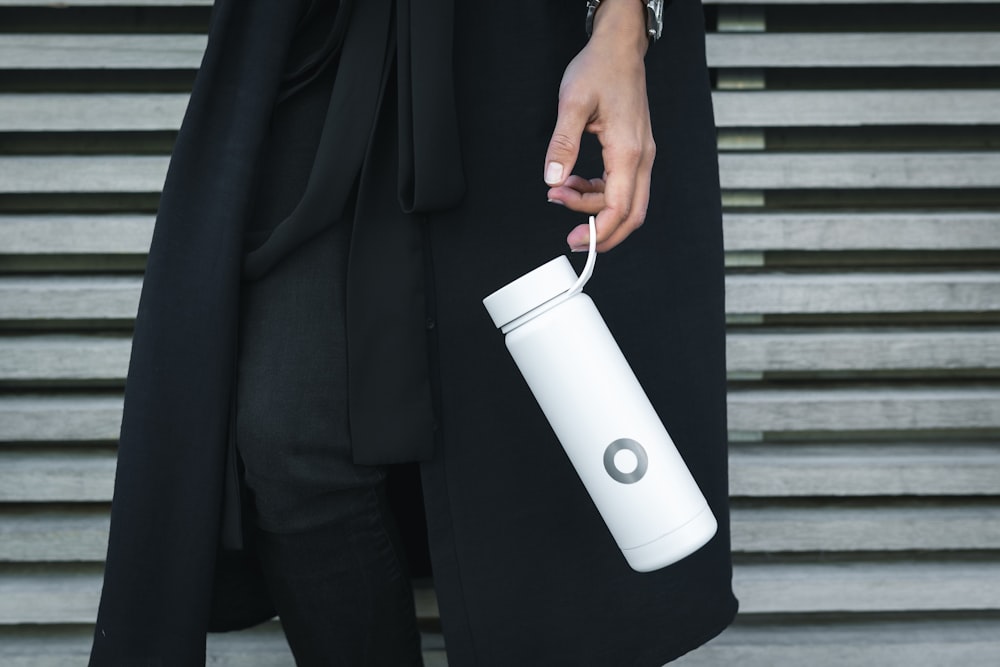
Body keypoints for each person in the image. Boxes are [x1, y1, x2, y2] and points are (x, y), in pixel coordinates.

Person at [88, 0, 737, 664]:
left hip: (535, 35)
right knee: (289, 435)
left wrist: (623, 28)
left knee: (528, 443)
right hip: (326, 35)